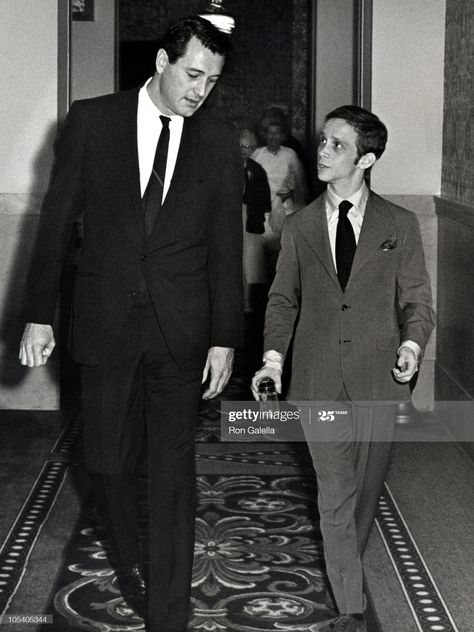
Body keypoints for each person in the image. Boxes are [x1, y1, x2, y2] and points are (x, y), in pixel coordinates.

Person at [19, 16, 243, 632]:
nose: (201, 90)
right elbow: (55, 221)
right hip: (105, 322)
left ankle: (168, 614)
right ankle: (138, 560)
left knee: (174, 475)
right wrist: (39, 315)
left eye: (213, 81)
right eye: (193, 74)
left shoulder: (222, 140)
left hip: (181, 332)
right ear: (163, 63)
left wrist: (226, 336)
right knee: (108, 465)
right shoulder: (93, 120)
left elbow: (227, 246)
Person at [252, 105, 434, 632]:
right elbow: (283, 299)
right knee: (335, 493)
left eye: (337, 145)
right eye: (323, 142)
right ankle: (350, 609)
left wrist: (413, 347)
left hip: (381, 379)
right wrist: (272, 360)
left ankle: (344, 567)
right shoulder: (300, 224)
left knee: (364, 494)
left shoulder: (399, 225)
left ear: (367, 159)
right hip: (317, 381)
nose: (323, 152)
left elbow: (417, 301)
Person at [252, 121, 307, 277]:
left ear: (282, 136)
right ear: (265, 135)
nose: (273, 137)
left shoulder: (290, 155)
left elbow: (300, 184)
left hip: (285, 209)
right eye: (270, 133)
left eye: (277, 133)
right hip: (262, 211)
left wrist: (289, 195)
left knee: (283, 256)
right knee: (260, 258)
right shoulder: (258, 154)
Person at [239, 128, 271, 313]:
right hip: (229, 218)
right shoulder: (224, 166)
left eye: (248, 147)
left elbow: (263, 200)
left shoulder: (256, 170)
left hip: (249, 222)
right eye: (241, 146)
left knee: (251, 267)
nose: (244, 150)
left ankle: (248, 304)